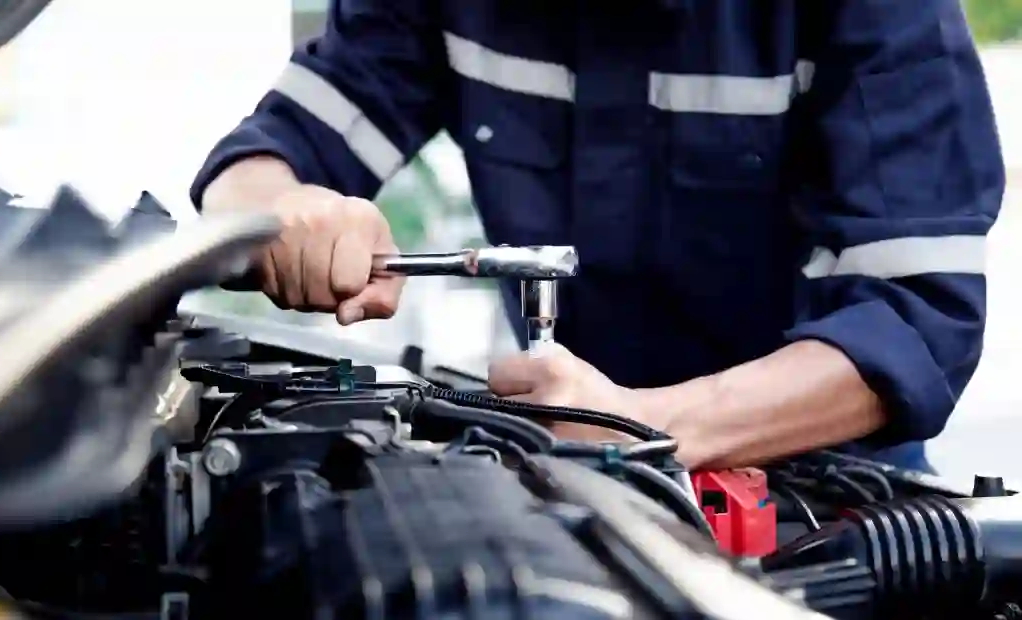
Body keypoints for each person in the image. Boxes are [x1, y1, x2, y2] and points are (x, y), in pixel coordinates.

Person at [190, 0, 1005, 472]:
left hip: (819, 498)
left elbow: (915, 321)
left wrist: (638, 424)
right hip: (558, 468)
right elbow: (265, 158)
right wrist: (279, 214)